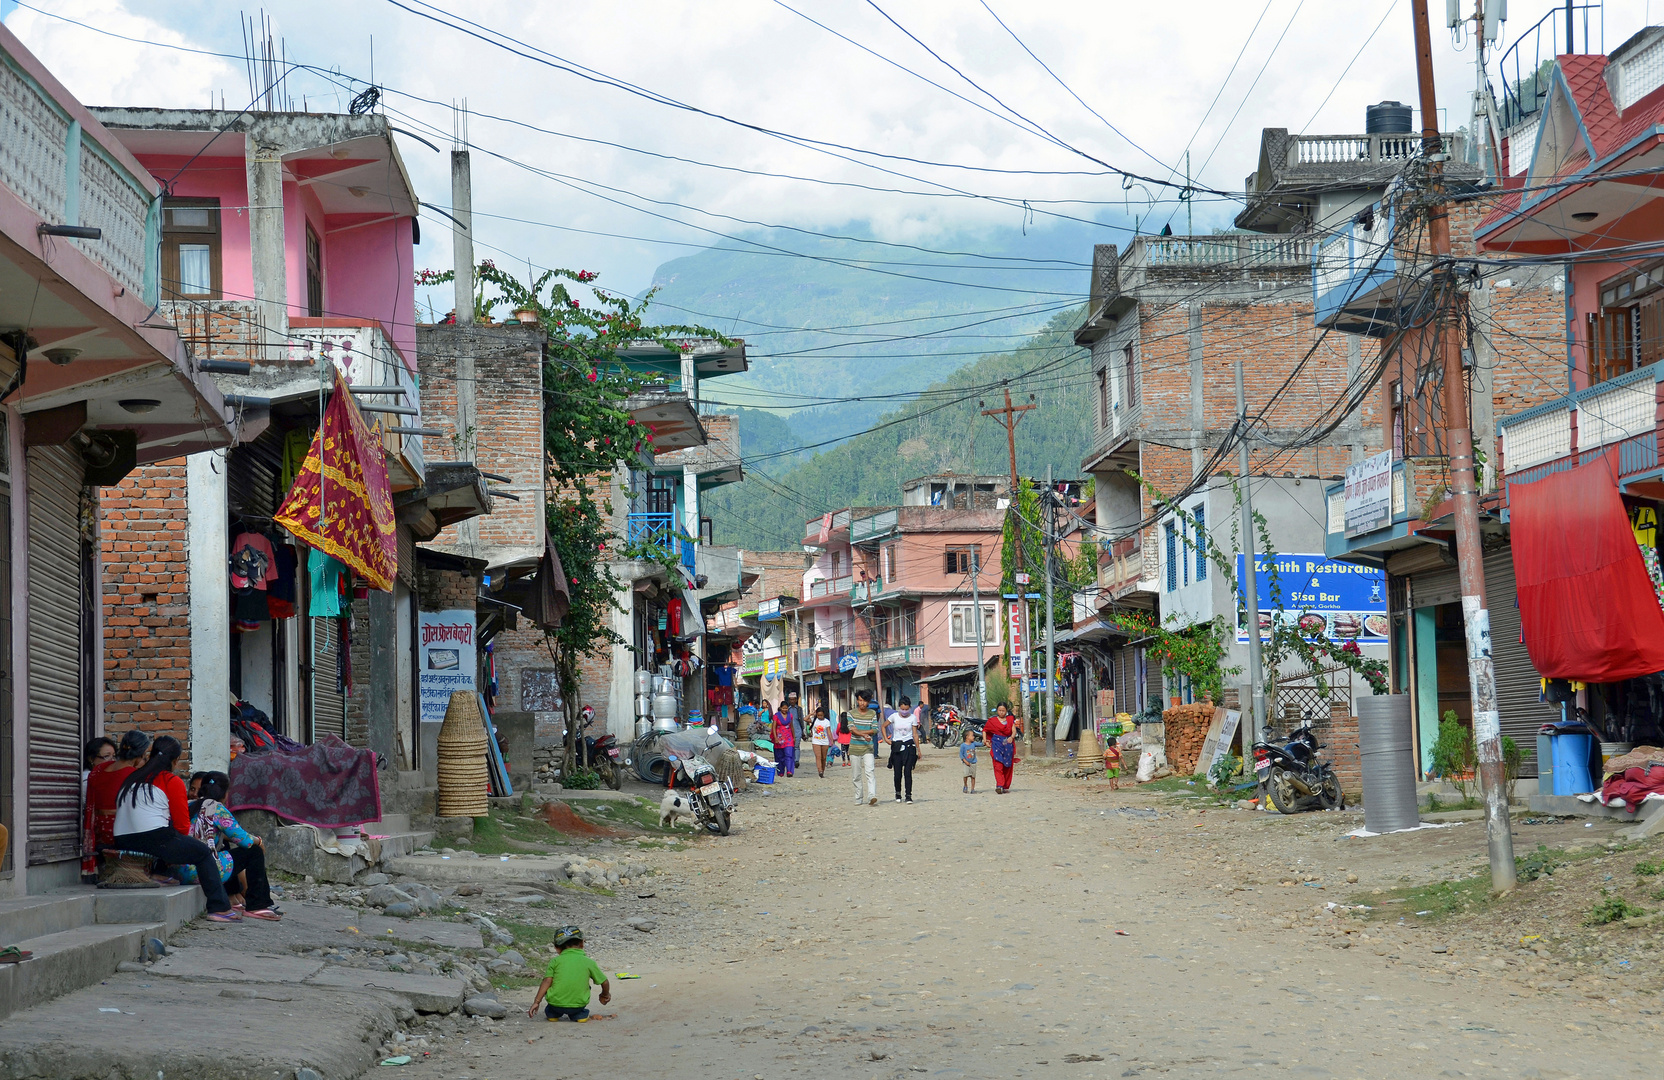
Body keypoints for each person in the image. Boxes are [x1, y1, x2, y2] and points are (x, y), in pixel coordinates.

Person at [112, 735, 239, 921]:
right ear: (175, 760)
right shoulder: (171, 781)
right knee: (202, 852)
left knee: (169, 834)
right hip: (151, 839)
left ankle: (158, 872)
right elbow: (182, 826)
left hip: (121, 839)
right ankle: (219, 907)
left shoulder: (132, 776)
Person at [180, 772, 280, 920]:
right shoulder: (217, 809)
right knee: (254, 852)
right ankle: (257, 904)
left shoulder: (188, 805)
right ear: (225, 793)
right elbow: (244, 840)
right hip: (199, 871)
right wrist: (259, 840)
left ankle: (233, 894)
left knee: (223, 845)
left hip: (179, 870)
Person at [85, 730, 148, 879]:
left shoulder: (98, 770)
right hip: (119, 835)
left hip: (98, 833)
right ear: (140, 755)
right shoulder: (135, 776)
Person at [528, 926, 612, 1022]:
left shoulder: (555, 961)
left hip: (555, 1005)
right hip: (577, 1006)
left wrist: (536, 1002)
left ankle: (553, 1015)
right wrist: (605, 994)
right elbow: (604, 982)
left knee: (550, 1009)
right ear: (582, 943)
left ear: (557, 948)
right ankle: (580, 1016)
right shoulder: (589, 962)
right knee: (583, 998)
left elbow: (547, 981)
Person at [847, 690, 882, 806]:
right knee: (856, 775)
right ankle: (858, 797)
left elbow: (875, 729)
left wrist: (861, 732)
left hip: (868, 748)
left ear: (868, 702)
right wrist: (863, 734)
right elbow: (851, 728)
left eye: (864, 701)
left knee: (870, 772)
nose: (862, 703)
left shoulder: (872, 713)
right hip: (854, 748)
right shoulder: (851, 713)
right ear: (857, 700)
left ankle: (872, 795)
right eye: (860, 700)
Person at [884, 697, 922, 803]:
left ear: (909, 708)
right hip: (897, 746)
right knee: (897, 773)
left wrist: (918, 749)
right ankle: (898, 793)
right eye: (902, 709)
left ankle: (908, 795)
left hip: (909, 746)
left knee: (908, 772)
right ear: (899, 708)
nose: (904, 711)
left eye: (906, 709)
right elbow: (883, 726)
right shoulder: (894, 716)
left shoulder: (913, 718)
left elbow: (915, 734)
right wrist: (886, 739)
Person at [984, 702, 1021, 794]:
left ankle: (1005, 785)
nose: (1001, 712)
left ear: (1006, 711)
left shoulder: (1010, 720)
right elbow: (985, 730)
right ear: (997, 711)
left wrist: (1011, 737)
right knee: (998, 765)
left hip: (1008, 745)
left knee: (1007, 765)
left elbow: (1014, 730)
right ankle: (999, 785)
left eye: (1003, 711)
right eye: (999, 710)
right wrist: (985, 741)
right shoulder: (992, 721)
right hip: (996, 744)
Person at [771, 703, 798, 778]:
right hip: (779, 738)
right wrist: (775, 737)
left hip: (788, 737)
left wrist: (794, 737)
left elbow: (791, 726)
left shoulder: (790, 716)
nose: (785, 710)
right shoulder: (776, 716)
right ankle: (781, 771)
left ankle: (789, 771)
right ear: (780, 708)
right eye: (783, 708)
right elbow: (774, 727)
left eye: (786, 708)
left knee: (789, 754)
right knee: (780, 756)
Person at [808, 705, 833, 778]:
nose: (820, 717)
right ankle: (820, 770)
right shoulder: (814, 720)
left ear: (824, 714)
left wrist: (831, 740)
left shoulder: (827, 722)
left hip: (825, 742)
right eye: (818, 715)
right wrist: (811, 714)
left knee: (823, 757)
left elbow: (829, 732)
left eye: (821, 715)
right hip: (816, 742)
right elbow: (805, 719)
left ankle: (822, 770)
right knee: (818, 756)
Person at [960, 728, 979, 794]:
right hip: (966, 763)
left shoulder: (973, 744)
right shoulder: (963, 746)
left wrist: (986, 742)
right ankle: (965, 785)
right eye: (972, 735)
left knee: (973, 776)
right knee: (965, 775)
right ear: (967, 737)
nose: (973, 737)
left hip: (973, 762)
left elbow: (981, 744)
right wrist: (965, 761)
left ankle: (972, 789)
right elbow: (961, 755)